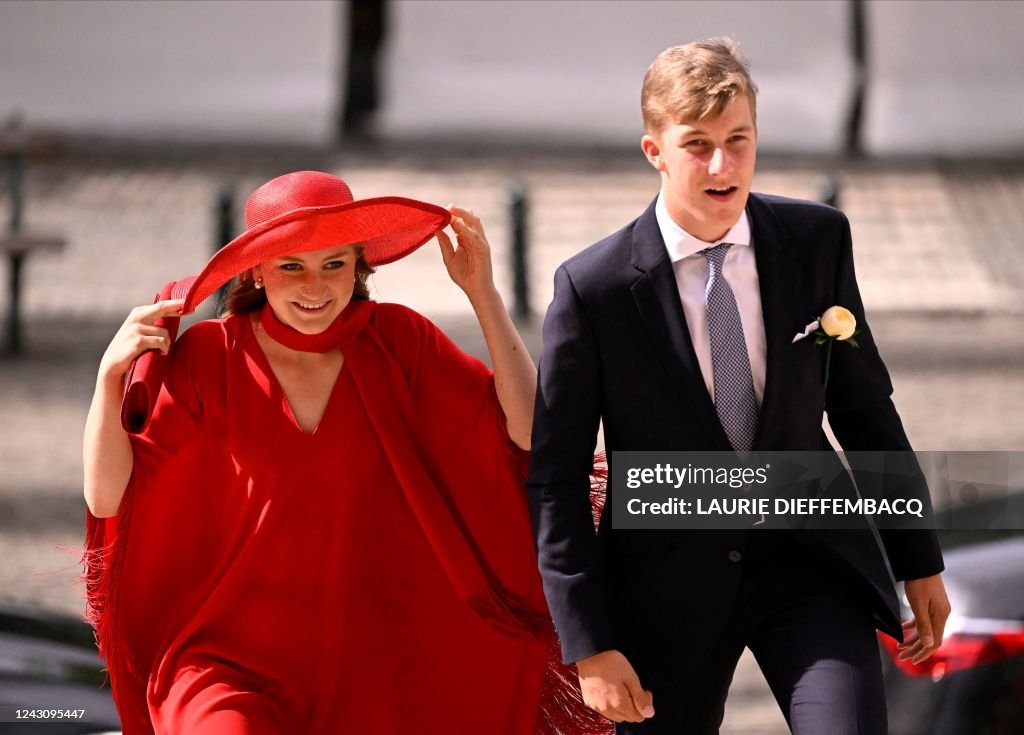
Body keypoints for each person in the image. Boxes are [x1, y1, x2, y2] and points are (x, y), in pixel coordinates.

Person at [527, 39, 951, 734]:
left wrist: (919, 556)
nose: (722, 166)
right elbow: (558, 477)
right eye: (697, 144)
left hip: (809, 560)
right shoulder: (593, 289)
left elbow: (863, 406)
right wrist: (589, 643)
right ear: (654, 150)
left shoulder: (817, 241)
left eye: (738, 140)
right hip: (664, 589)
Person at [82, 171, 603, 734]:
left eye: (335, 264)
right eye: (291, 266)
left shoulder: (400, 341)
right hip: (224, 658)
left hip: (370, 659)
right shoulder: (209, 357)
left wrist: (484, 296)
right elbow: (107, 495)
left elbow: (530, 435)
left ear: (360, 266)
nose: (316, 286)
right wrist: (109, 379)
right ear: (257, 269)